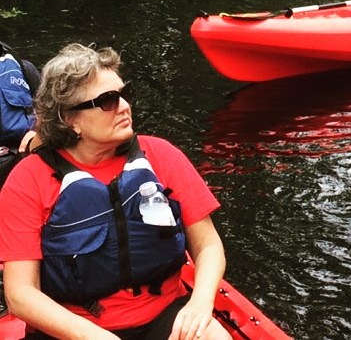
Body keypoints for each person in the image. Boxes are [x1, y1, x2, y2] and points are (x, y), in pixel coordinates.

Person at [0, 43, 232, 340]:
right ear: (70, 119)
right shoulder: (28, 180)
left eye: (126, 94)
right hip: (73, 330)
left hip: (163, 316)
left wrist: (200, 303)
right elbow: (20, 294)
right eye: (108, 101)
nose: (124, 106)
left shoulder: (162, 155)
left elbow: (208, 246)